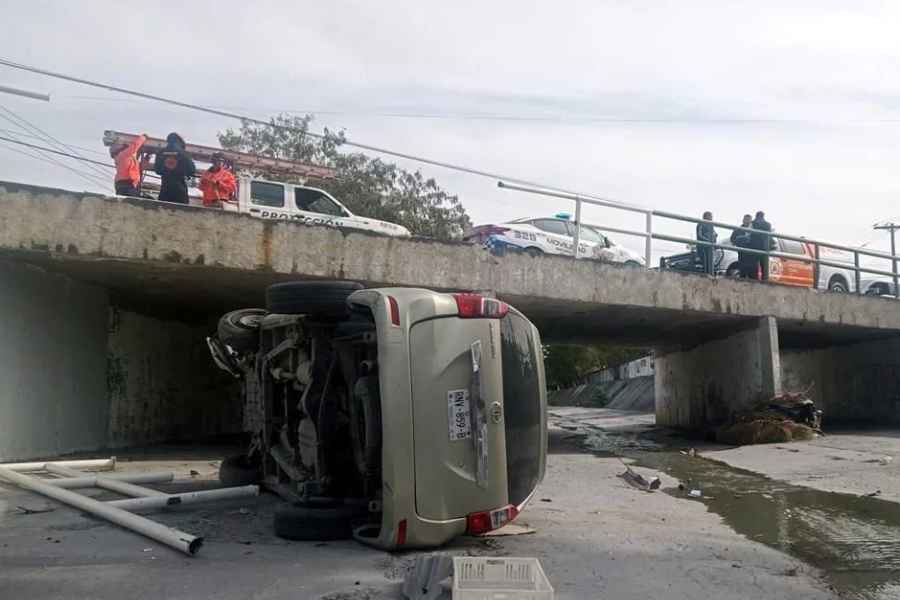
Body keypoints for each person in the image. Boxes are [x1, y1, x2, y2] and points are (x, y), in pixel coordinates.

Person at [153, 132, 196, 204]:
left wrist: (166, 171)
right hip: (180, 191)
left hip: (165, 190)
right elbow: (192, 170)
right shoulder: (184, 154)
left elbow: (157, 170)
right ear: (180, 141)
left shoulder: (160, 153)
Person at [110, 133, 147, 197]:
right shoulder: (122, 155)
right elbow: (134, 147)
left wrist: (147, 158)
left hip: (128, 184)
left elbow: (139, 167)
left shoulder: (126, 158)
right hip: (126, 184)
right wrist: (143, 138)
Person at [750, 211, 774, 281]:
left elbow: (750, 233)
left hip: (754, 246)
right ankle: (764, 280)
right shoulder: (768, 224)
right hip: (764, 247)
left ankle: (755, 279)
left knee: (754, 265)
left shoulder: (753, 223)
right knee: (764, 266)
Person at [696, 211, 717, 275]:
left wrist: (715, 236)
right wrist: (708, 240)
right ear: (705, 217)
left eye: (711, 216)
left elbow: (714, 233)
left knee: (711, 262)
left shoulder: (711, 225)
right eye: (710, 216)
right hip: (702, 247)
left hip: (710, 247)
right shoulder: (700, 224)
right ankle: (706, 274)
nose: (711, 218)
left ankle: (711, 274)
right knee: (705, 262)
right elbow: (699, 235)